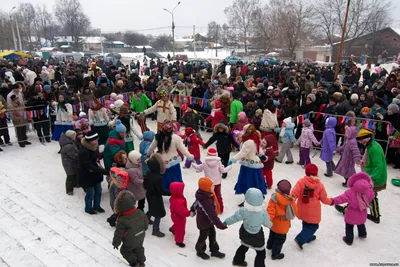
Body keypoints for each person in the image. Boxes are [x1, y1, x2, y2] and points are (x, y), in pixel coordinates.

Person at [336, 128, 387, 224]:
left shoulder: (374, 148)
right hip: (371, 175)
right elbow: (371, 159)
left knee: (362, 194)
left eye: (361, 140)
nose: (360, 142)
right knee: (368, 195)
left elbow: (378, 166)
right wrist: (365, 161)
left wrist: (371, 179)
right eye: (359, 140)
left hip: (375, 177)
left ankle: (373, 215)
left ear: (367, 138)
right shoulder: (371, 145)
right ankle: (375, 215)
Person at [224, 188, 272, 267]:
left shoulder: (243, 210)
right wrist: (272, 226)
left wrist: (226, 222)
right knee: (261, 253)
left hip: (245, 232)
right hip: (257, 236)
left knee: (244, 246)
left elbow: (234, 218)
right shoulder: (262, 213)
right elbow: (267, 223)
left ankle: (238, 261)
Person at [291, 164, 332, 249]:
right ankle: (300, 239)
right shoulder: (320, 185)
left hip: (302, 208)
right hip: (314, 211)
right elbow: (324, 199)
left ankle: (308, 237)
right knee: (313, 226)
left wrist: (290, 200)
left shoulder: (301, 182)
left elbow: (294, 193)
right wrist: (331, 201)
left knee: (306, 222)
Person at [331, 172, 375, 246]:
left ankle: (349, 239)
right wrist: (370, 187)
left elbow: (341, 198)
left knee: (349, 227)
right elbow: (372, 195)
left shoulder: (350, 192)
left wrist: (332, 201)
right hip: (362, 213)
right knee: (361, 224)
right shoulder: (368, 191)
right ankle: (363, 234)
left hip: (351, 213)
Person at [147, 121, 193, 190]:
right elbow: (182, 149)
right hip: (174, 162)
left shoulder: (158, 137)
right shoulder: (176, 138)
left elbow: (151, 149)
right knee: (175, 177)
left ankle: (165, 190)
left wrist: (150, 154)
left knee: (165, 178)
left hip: (162, 162)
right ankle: (177, 190)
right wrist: (189, 156)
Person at [229, 124, 267, 206]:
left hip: (249, 165)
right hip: (252, 164)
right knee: (256, 181)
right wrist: (261, 155)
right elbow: (257, 148)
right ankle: (259, 195)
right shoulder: (254, 138)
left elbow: (243, 153)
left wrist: (233, 159)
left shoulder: (248, 141)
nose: (243, 132)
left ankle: (249, 200)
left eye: (244, 130)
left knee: (248, 182)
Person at [190, 177, 227, 260]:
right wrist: (219, 224)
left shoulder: (204, 194)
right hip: (203, 222)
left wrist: (192, 209)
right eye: (211, 186)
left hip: (208, 221)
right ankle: (200, 250)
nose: (213, 187)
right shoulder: (206, 200)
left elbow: (196, 203)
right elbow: (211, 215)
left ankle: (214, 250)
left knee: (212, 234)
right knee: (203, 236)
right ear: (206, 188)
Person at [112, 190, 148, 267]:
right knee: (139, 248)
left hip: (130, 239)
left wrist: (116, 243)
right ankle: (141, 262)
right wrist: (143, 229)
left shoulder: (122, 219)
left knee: (125, 250)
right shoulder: (140, 212)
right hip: (141, 235)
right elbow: (146, 224)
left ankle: (134, 263)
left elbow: (118, 233)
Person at [192, 148, 232, 213]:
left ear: (208, 154)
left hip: (208, 184)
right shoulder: (218, 162)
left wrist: (193, 164)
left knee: (209, 197)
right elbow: (223, 170)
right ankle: (220, 209)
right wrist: (229, 167)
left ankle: (210, 210)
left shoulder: (204, 162)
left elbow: (198, 168)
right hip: (217, 182)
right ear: (215, 155)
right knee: (218, 196)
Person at [78, 131, 108, 215]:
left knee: (98, 191)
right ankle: (88, 208)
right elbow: (89, 165)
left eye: (97, 140)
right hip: (87, 175)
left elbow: (96, 158)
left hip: (96, 174)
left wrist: (103, 154)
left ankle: (97, 206)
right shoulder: (83, 151)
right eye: (94, 140)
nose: (96, 142)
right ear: (89, 141)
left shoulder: (94, 147)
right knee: (90, 193)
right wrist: (104, 171)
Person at [267, 180, 297, 260]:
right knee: (279, 240)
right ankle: (275, 254)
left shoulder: (274, 198)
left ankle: (269, 246)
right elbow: (295, 210)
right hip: (283, 224)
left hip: (274, 223)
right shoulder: (291, 199)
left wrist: (268, 220)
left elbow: (270, 210)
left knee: (272, 234)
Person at [144, 153, 171, 237]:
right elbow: (160, 191)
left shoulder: (148, 173)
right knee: (158, 214)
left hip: (149, 194)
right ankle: (156, 230)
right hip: (156, 197)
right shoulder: (158, 177)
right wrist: (170, 192)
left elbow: (144, 184)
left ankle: (145, 220)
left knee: (151, 209)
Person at [169, 182, 190, 248]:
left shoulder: (175, 197)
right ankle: (179, 241)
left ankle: (173, 229)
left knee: (177, 225)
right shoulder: (178, 201)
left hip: (175, 216)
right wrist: (189, 213)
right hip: (179, 216)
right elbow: (182, 211)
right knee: (180, 228)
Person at [59, 130, 79, 195]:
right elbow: (73, 155)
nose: (75, 137)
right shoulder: (68, 146)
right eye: (74, 136)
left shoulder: (69, 142)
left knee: (74, 174)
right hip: (69, 164)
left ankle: (75, 184)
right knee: (70, 176)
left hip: (70, 162)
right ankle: (69, 190)